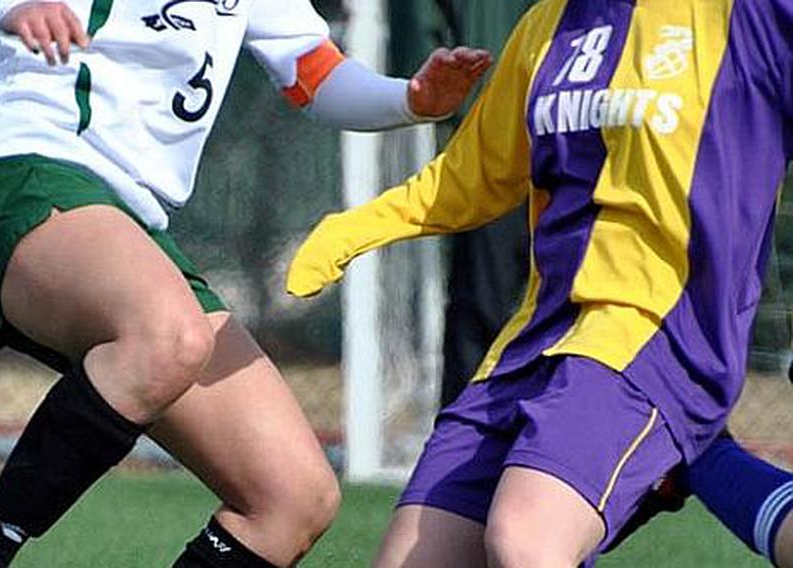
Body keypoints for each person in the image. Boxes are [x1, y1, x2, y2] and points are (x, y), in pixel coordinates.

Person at [0, 1, 491, 567]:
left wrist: (410, 98)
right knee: (170, 335)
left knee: (292, 499)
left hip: (132, 221)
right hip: (22, 168)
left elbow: (314, 70)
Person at [286, 0, 793, 565]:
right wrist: (357, 228)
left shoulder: (749, 16)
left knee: (526, 540)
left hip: (657, 340)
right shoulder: (546, 23)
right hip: (533, 346)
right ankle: (690, 460)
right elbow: (472, 174)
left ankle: (687, 450)